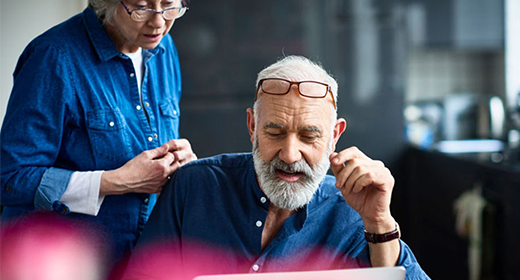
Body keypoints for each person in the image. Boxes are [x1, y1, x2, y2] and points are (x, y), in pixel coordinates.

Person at [122, 56, 431, 280]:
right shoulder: (193, 187)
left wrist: (379, 222)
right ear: (252, 126)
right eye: (275, 132)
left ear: (334, 136)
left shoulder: (352, 210)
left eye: (309, 136)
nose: (290, 153)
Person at [0, 0, 196, 269]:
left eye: (170, 5)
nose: (159, 22)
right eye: (142, 7)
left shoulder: (164, 46)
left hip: (140, 262)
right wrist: (115, 181)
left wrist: (181, 164)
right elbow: (9, 178)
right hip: (69, 266)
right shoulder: (53, 56)